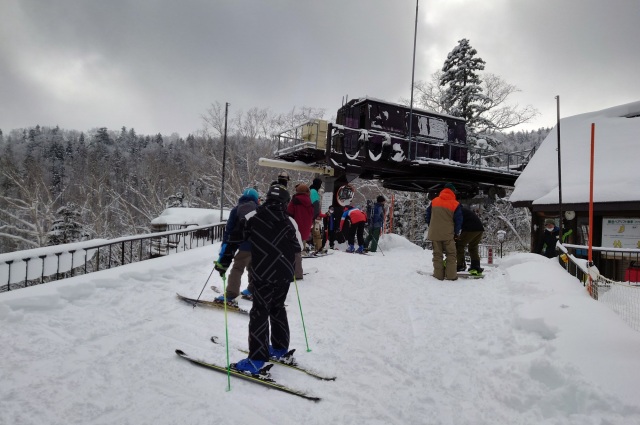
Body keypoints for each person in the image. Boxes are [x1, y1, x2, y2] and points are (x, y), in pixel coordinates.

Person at [231, 184, 302, 375]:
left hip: (263, 273)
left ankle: (256, 358)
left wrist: (225, 260)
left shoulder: (253, 218)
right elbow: (298, 247)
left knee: (259, 312)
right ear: (285, 202)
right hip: (284, 274)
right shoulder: (289, 222)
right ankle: (279, 348)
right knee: (277, 307)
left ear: (267, 199)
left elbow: (238, 238)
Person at [213, 188, 259, 303]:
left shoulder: (236, 210)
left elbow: (229, 231)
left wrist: (224, 247)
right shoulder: (259, 209)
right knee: (254, 268)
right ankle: (253, 290)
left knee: (237, 268)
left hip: (243, 245)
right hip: (258, 246)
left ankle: (231, 294)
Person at [425, 183, 462, 280]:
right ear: (453, 192)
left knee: (437, 254)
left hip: (434, 233)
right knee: (451, 254)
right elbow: (458, 220)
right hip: (448, 234)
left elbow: (427, 215)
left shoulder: (434, 201)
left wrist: (432, 226)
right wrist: (456, 232)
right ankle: (451, 276)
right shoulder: (455, 203)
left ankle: (438, 276)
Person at [287, 183, 313, 278]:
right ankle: (297, 270)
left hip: (295, 228)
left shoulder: (295, 201)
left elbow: (288, 213)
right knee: (298, 249)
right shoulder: (309, 202)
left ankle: (297, 272)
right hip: (305, 229)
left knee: (293, 250)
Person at [455, 206, 485, 274]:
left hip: (471, 228)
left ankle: (460, 265)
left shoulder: (457, 211)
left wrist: (455, 233)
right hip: (479, 228)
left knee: (459, 245)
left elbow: (457, 223)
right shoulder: (463, 209)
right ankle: (476, 266)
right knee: (473, 247)